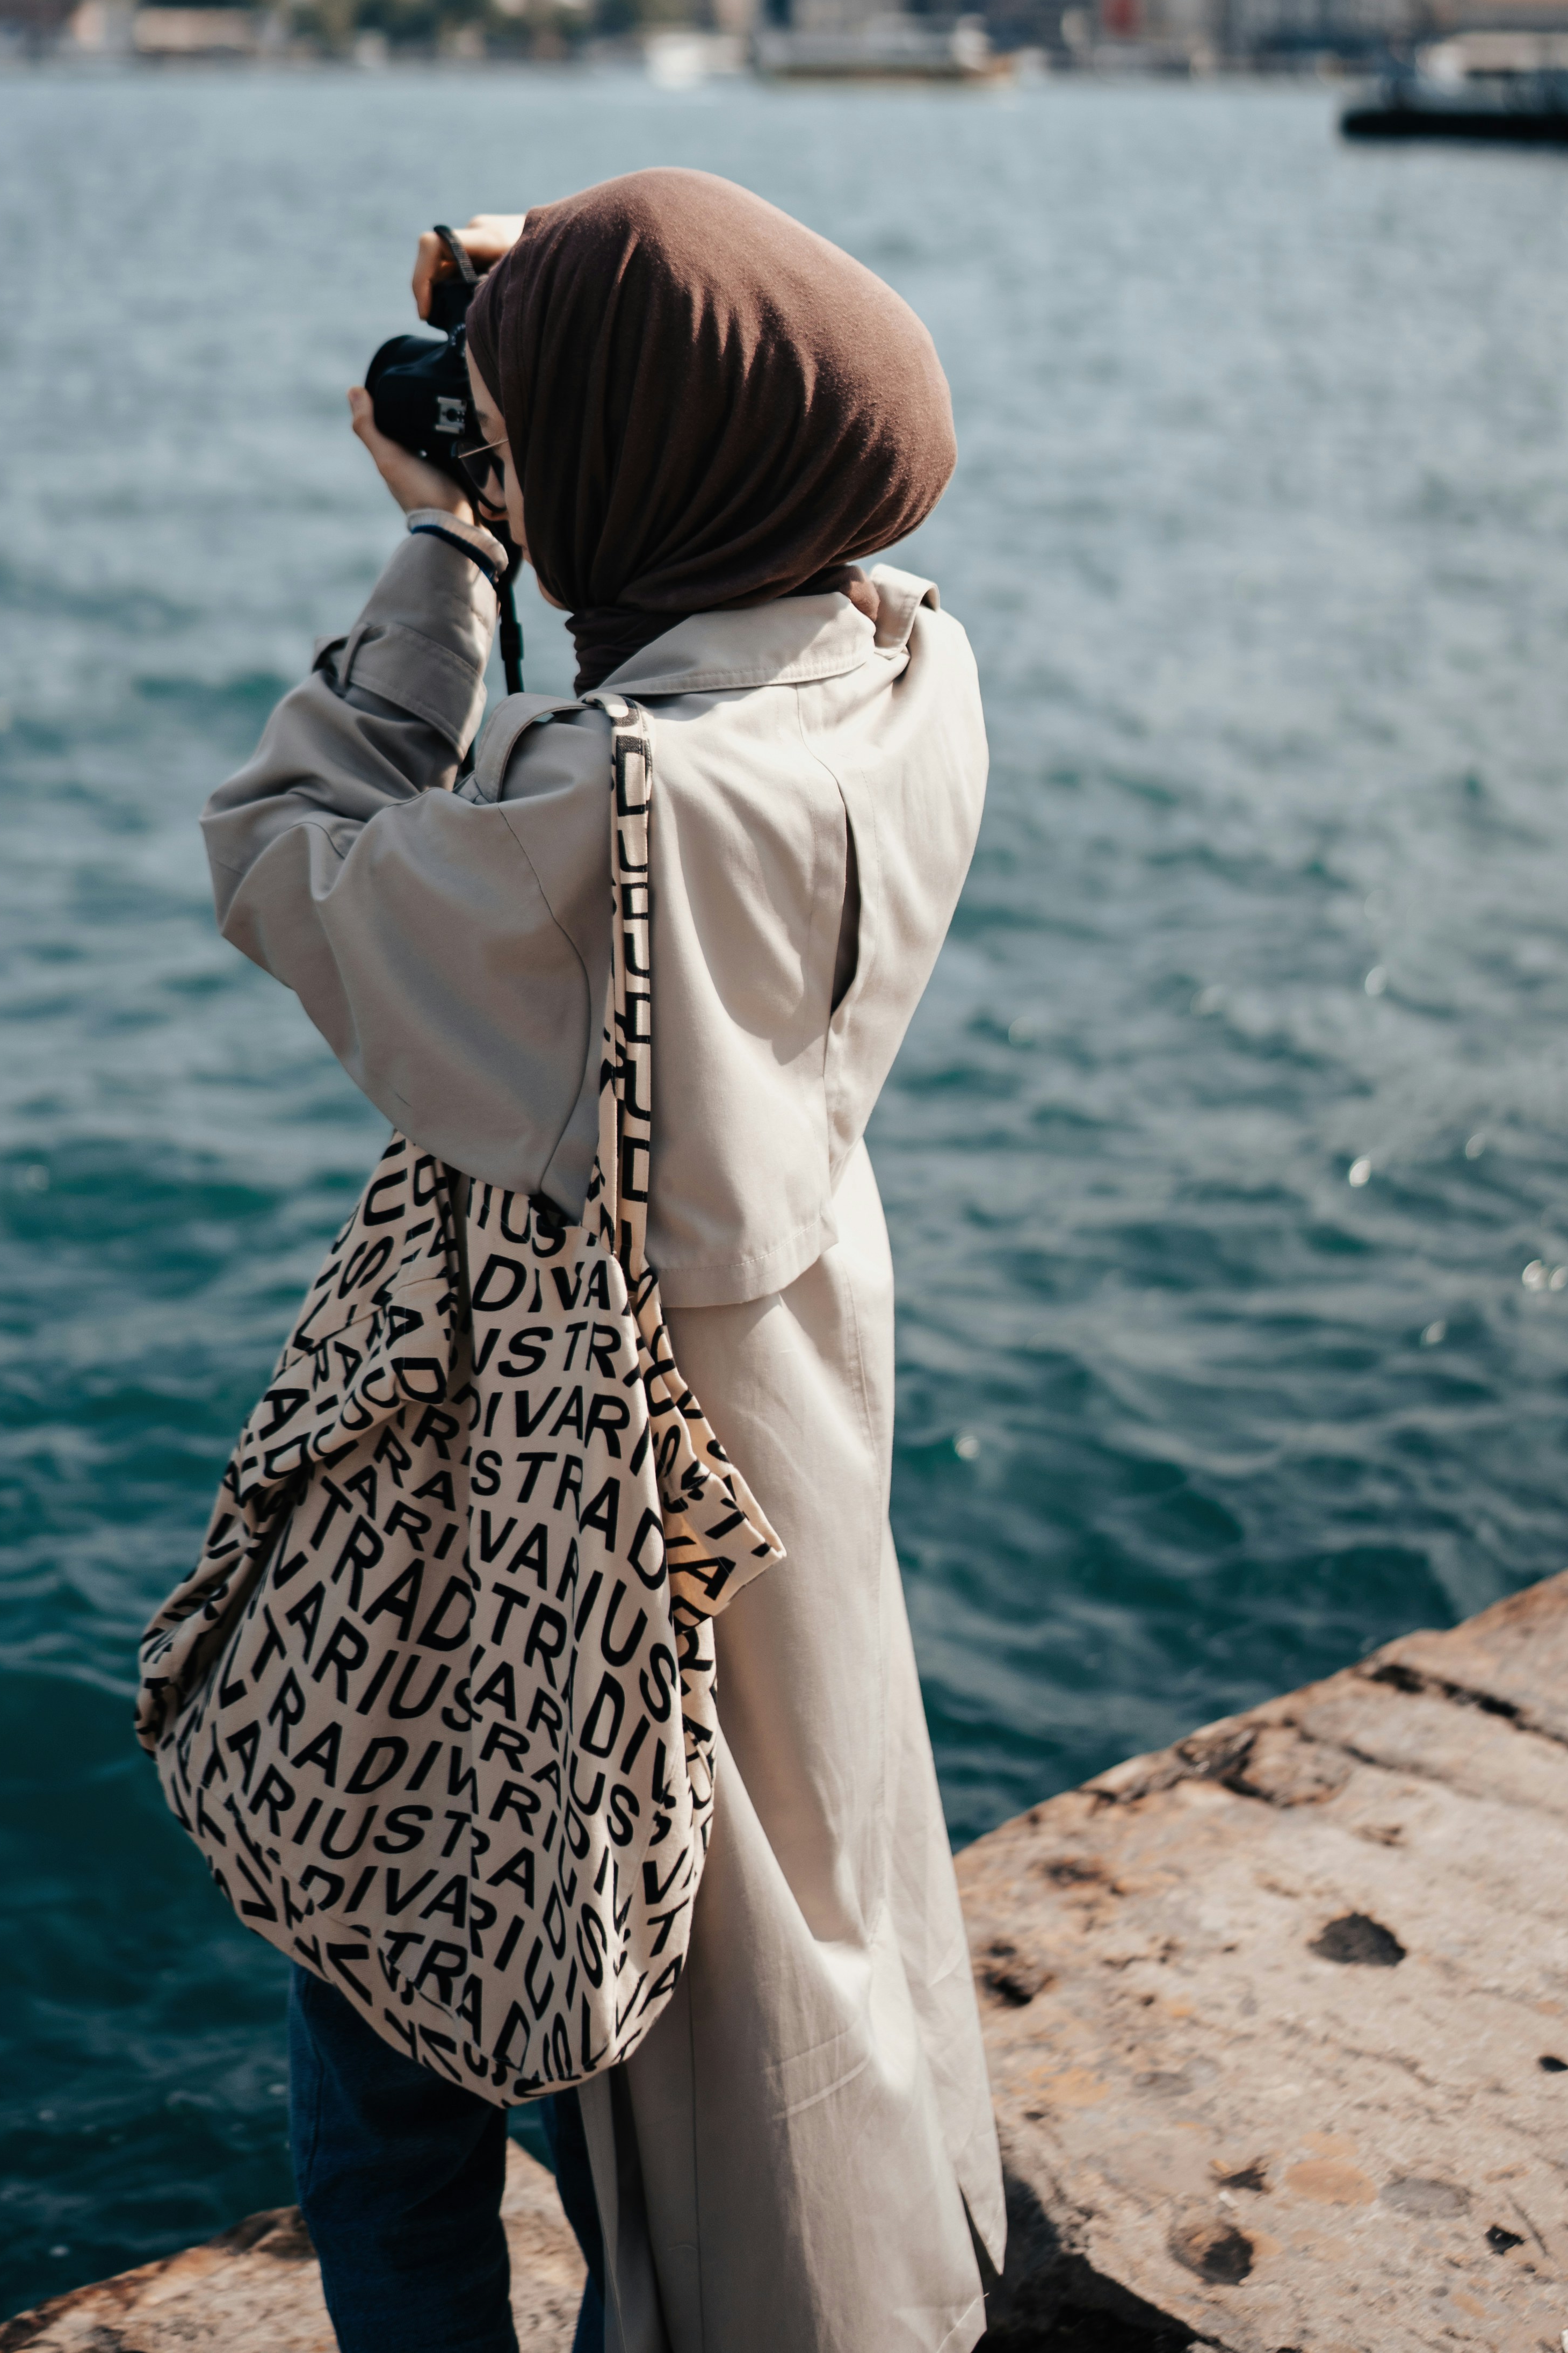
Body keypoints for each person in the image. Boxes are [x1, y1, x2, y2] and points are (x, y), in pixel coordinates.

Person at [198, 167, 1003, 2353]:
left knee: (400, 2068)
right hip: (786, 1430)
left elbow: (286, 853)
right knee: (711, 2029)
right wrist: (563, 302)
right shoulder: (900, 675)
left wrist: (452, 551)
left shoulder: (616, 820)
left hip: (564, 1523)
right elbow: (753, 422)